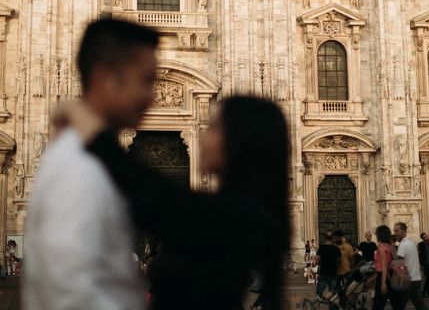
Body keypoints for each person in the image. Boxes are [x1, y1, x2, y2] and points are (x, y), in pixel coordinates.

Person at [69, 96, 290, 310]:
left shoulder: (235, 216)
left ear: (240, 141)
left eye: (213, 128)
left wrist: (95, 135)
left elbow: (157, 198)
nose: (203, 136)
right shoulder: (243, 212)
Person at [24, 18, 159, 310]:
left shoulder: (93, 158)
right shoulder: (80, 167)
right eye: (146, 81)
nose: (153, 96)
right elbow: (70, 291)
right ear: (103, 78)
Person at [393, 222, 427, 310]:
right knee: (418, 305)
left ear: (404, 231)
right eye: (394, 231)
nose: (395, 233)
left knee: (400, 305)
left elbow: (398, 263)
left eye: (397, 231)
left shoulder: (403, 245)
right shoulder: (410, 243)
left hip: (408, 281)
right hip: (415, 279)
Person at [372, 225, 403, 310]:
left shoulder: (381, 247)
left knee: (378, 304)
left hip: (384, 276)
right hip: (393, 276)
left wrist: (383, 283)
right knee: (397, 304)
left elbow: (384, 266)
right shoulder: (391, 247)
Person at [315, 232, 341, 310]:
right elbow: (339, 260)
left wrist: (321, 262)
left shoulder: (321, 248)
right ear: (332, 238)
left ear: (325, 238)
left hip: (323, 273)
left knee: (319, 294)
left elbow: (317, 260)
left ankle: (316, 307)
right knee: (333, 294)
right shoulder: (336, 248)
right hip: (333, 273)